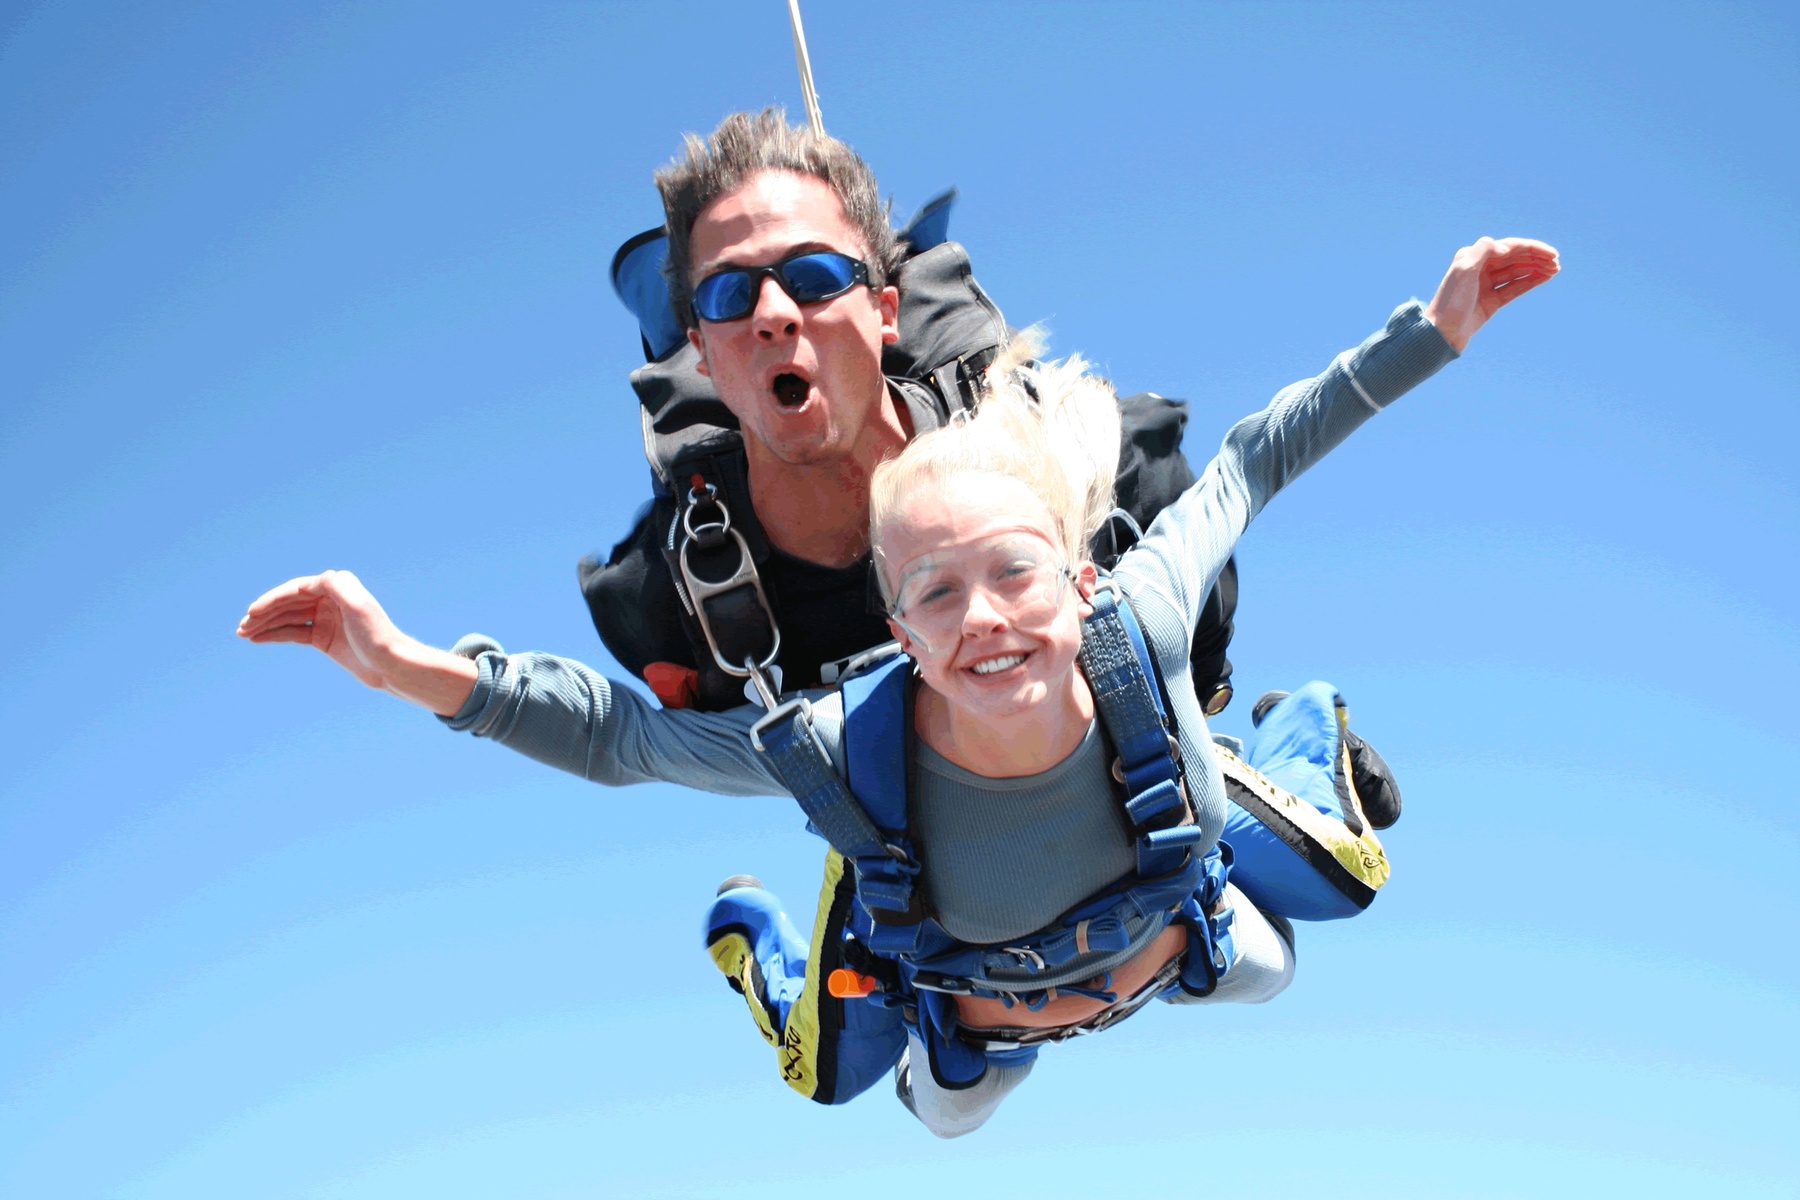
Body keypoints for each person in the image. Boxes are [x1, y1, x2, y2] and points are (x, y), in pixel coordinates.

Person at [235, 234, 1561, 1136]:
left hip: (1183, 936)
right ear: (898, 635)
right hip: (973, 1005)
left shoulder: (1137, 620)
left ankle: (1297, 731)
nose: (983, 621)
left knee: (1323, 907)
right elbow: (626, 739)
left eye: (1014, 579)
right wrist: (406, 664)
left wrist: (1430, 331)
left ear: (1080, 582)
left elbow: (1256, 463)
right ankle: (764, 939)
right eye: (935, 597)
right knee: (873, 1090)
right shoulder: (833, 743)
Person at [580, 109, 1241, 717]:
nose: (775, 314)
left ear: (884, 312)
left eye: (814, 277)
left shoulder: (1097, 468)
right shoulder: (672, 604)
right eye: (728, 294)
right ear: (700, 351)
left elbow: (1200, 650)